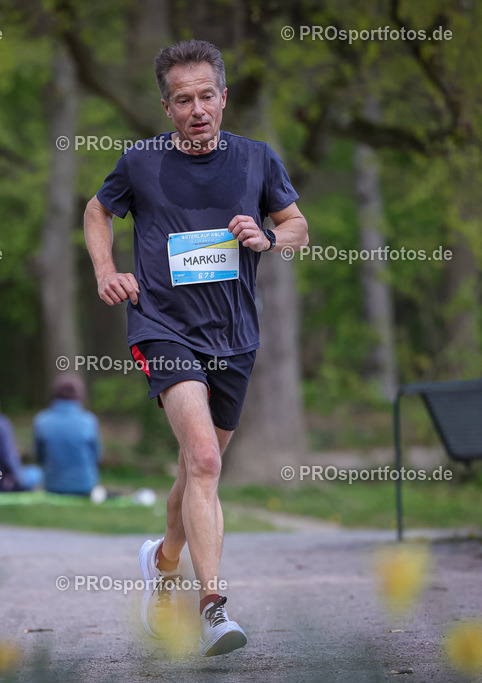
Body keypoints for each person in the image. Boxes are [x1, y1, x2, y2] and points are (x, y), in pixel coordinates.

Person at [83, 40, 308, 656]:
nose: (197, 109)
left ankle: (162, 562)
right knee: (205, 459)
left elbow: (297, 226)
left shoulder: (257, 159)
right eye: (183, 100)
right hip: (162, 326)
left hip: (234, 336)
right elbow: (97, 211)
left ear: (224, 97)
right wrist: (106, 271)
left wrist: (267, 237)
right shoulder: (141, 162)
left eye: (207, 96)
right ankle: (213, 608)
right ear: (167, 108)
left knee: (196, 467)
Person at [33, 374, 101, 496]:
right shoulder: (89, 421)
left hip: (52, 485)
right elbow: (96, 455)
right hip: (85, 486)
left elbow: (39, 456)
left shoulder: (41, 420)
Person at [0, 385, 42, 492]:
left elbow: (10, 457)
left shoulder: (0, 425)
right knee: (34, 474)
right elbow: (9, 457)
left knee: (34, 472)